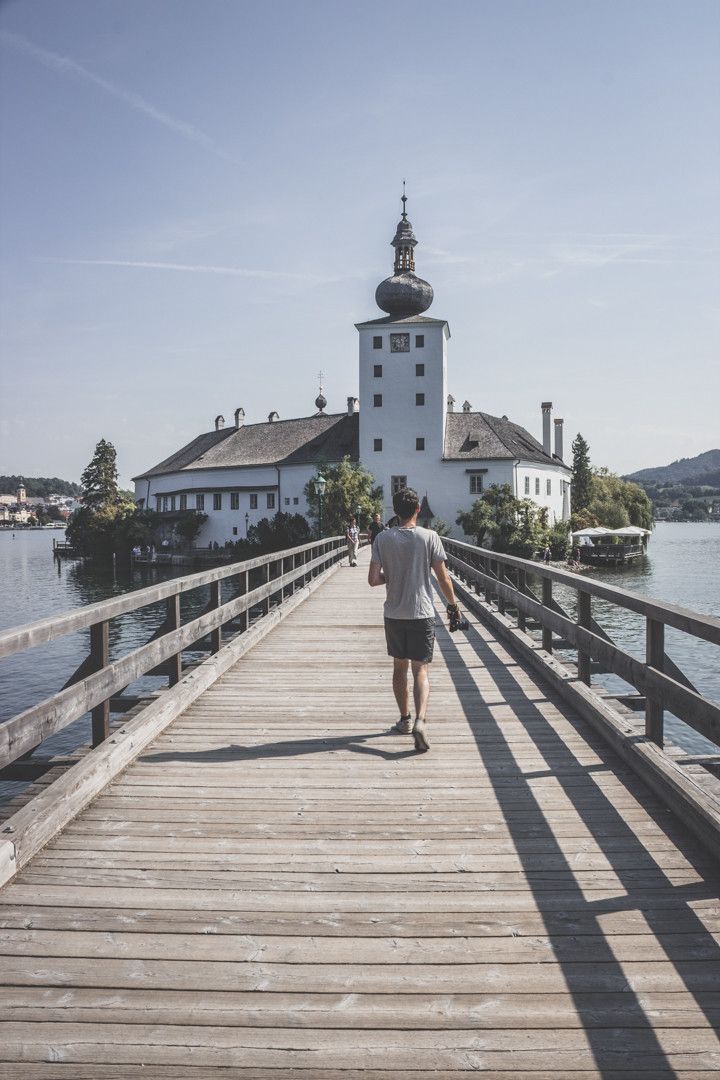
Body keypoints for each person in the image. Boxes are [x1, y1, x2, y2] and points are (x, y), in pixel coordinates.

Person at [368, 486, 462, 752]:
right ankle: (421, 720)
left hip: (394, 613)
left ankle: (405, 720)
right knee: (421, 670)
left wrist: (392, 577)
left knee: (400, 668)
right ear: (418, 510)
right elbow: (443, 578)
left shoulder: (382, 539)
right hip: (422, 613)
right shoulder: (430, 537)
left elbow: (374, 580)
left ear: (395, 512)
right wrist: (453, 606)